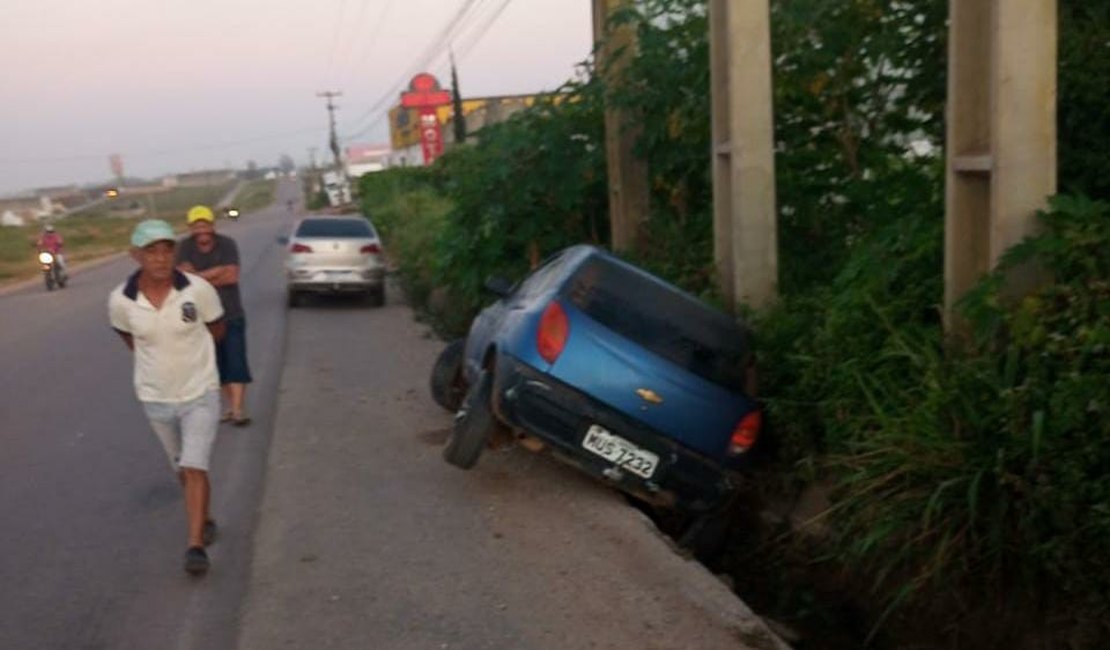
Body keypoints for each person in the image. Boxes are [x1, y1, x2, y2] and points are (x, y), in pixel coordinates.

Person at [108, 219, 226, 575]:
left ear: (174, 252)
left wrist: (194, 362)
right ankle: (202, 514)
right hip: (156, 398)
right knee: (181, 468)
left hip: (200, 390)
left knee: (194, 465)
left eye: (166, 249)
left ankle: (194, 546)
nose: (160, 258)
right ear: (135, 255)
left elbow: (217, 329)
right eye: (151, 251)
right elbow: (131, 340)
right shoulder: (121, 301)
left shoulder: (198, 289)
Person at [176, 205, 253, 426]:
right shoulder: (183, 248)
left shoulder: (227, 244)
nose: (202, 229)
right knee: (216, 367)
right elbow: (182, 279)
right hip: (201, 319)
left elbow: (231, 276)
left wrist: (198, 278)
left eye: (205, 224)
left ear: (212, 225)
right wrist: (215, 272)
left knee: (236, 362)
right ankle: (232, 406)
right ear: (191, 228)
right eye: (197, 225)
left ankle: (238, 410)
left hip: (230, 312)